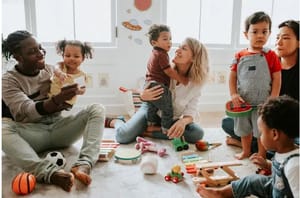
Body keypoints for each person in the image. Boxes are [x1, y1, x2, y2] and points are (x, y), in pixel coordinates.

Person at [2, 30, 105, 192]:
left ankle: (84, 164)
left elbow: (66, 101)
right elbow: (27, 110)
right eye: (32, 52)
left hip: (58, 129)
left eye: (40, 48)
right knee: (2, 129)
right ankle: (48, 172)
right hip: (33, 134)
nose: (41, 54)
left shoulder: (51, 71)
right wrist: (56, 100)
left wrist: (70, 98)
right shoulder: (8, 81)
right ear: (18, 57)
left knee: (96, 109)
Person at [197, 95, 299, 198]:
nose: (260, 136)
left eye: (261, 133)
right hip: (275, 186)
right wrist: (268, 165)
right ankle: (221, 193)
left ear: (274, 134)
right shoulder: (283, 150)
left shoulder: (294, 166)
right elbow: (281, 170)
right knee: (251, 181)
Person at [222, 19, 299, 154]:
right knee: (228, 123)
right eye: (277, 37)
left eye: (285, 38)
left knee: (287, 142)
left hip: (287, 124)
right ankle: (254, 146)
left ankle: (250, 146)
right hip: (262, 115)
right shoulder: (268, 61)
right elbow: (237, 76)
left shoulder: (279, 64)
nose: (278, 42)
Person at [112, 37, 209, 144]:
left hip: (171, 119)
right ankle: (118, 121)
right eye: (179, 47)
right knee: (122, 136)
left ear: (194, 58)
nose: (177, 50)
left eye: (184, 48)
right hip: (150, 111)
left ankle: (148, 132)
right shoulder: (164, 70)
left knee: (197, 133)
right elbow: (145, 87)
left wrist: (182, 122)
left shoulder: (195, 84)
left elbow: (191, 111)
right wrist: (143, 95)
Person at [227, 11, 281, 159]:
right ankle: (246, 151)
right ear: (246, 34)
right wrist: (234, 94)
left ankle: (261, 154)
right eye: (255, 31)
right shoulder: (239, 56)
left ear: (269, 34)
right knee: (244, 129)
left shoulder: (271, 55)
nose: (260, 35)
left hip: (263, 102)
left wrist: (273, 98)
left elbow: (277, 78)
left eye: (264, 32)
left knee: (261, 130)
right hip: (243, 102)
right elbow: (232, 77)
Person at [144, 24, 188, 134]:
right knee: (168, 108)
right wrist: (182, 79)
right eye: (165, 39)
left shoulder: (154, 53)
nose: (169, 42)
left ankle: (151, 123)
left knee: (152, 106)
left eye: (170, 39)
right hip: (158, 85)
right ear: (154, 43)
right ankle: (166, 128)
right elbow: (168, 71)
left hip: (149, 84)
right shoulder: (161, 54)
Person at [49, 39, 93, 106]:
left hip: (67, 103)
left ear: (83, 58)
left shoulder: (81, 75)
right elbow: (55, 69)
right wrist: (60, 73)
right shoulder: (61, 65)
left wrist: (78, 91)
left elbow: (82, 90)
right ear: (63, 56)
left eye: (76, 56)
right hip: (51, 99)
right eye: (67, 56)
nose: (71, 58)